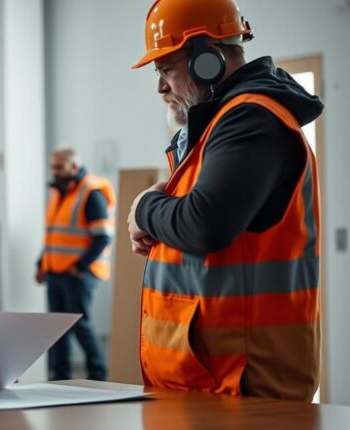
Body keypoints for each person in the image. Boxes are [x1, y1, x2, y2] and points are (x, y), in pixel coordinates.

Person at [127, 0, 323, 401]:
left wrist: (143, 209)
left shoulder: (251, 119)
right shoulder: (220, 124)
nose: (160, 86)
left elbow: (205, 223)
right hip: (209, 389)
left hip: (243, 390)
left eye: (166, 69)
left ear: (207, 61)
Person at [35, 148, 115, 381]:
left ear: (73, 166)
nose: (55, 171)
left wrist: (80, 266)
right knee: (56, 329)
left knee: (82, 327)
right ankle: (60, 379)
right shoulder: (58, 192)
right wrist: (41, 263)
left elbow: (103, 237)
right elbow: (53, 236)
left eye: (59, 167)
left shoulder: (91, 193)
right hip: (55, 272)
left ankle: (98, 377)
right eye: (53, 166)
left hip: (79, 274)